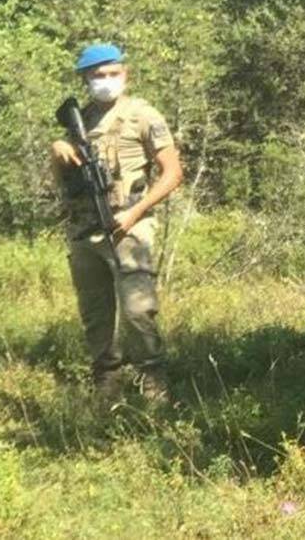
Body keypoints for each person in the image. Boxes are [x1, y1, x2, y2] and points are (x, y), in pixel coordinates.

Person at [50, 43, 183, 402]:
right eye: (97, 75)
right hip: (84, 228)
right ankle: (106, 385)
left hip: (128, 225)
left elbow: (172, 173)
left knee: (139, 310)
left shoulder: (143, 115)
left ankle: (153, 382)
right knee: (96, 315)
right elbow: (65, 182)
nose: (105, 81)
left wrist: (135, 213)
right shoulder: (80, 122)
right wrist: (59, 152)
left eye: (112, 74)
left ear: (125, 74)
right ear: (85, 79)